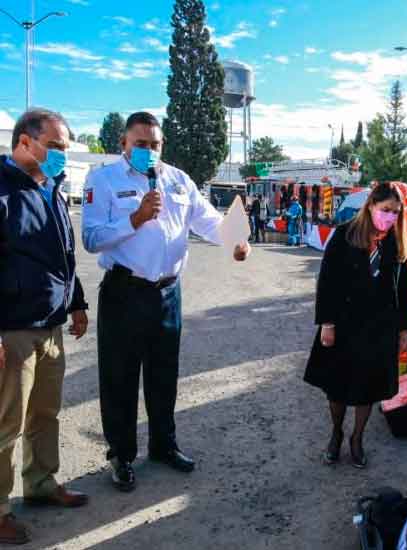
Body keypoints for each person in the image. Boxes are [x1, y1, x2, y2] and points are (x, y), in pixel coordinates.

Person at [81, 112, 251, 493]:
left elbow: (207, 220)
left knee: (163, 376)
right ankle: (122, 455)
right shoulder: (102, 179)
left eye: (154, 145)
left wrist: (235, 241)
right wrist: (136, 219)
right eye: (140, 144)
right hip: (125, 292)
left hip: (168, 293)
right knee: (120, 378)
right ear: (123, 143)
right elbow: (91, 238)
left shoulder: (178, 180)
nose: (148, 151)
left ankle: (163, 445)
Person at [0, 109, 90, 545]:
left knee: (44, 413)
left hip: (51, 324)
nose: (60, 156)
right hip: (12, 330)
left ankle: (40, 484)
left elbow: (64, 255)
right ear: (23, 143)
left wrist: (76, 303)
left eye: (64, 149)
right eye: (54, 147)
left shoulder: (51, 188)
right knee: (5, 423)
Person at [304, 182, 407, 469]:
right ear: (371, 206)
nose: (390, 216)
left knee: (369, 388)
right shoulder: (344, 234)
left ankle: (357, 438)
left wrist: (404, 328)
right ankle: (336, 433)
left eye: (395, 212)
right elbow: (326, 282)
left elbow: (403, 288)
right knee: (337, 386)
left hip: (380, 328)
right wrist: (327, 323)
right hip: (344, 323)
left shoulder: (397, 239)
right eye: (385, 209)